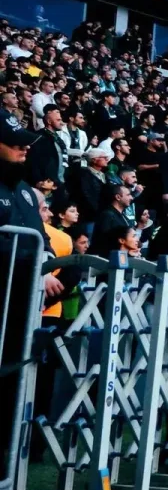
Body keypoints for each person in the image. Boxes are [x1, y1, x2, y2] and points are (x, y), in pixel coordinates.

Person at [0, 112, 62, 471]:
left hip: (22, 309)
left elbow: (42, 239)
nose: (23, 148)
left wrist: (47, 265)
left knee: (14, 387)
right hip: (8, 298)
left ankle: (8, 480)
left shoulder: (24, 189)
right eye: (14, 143)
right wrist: (34, 267)